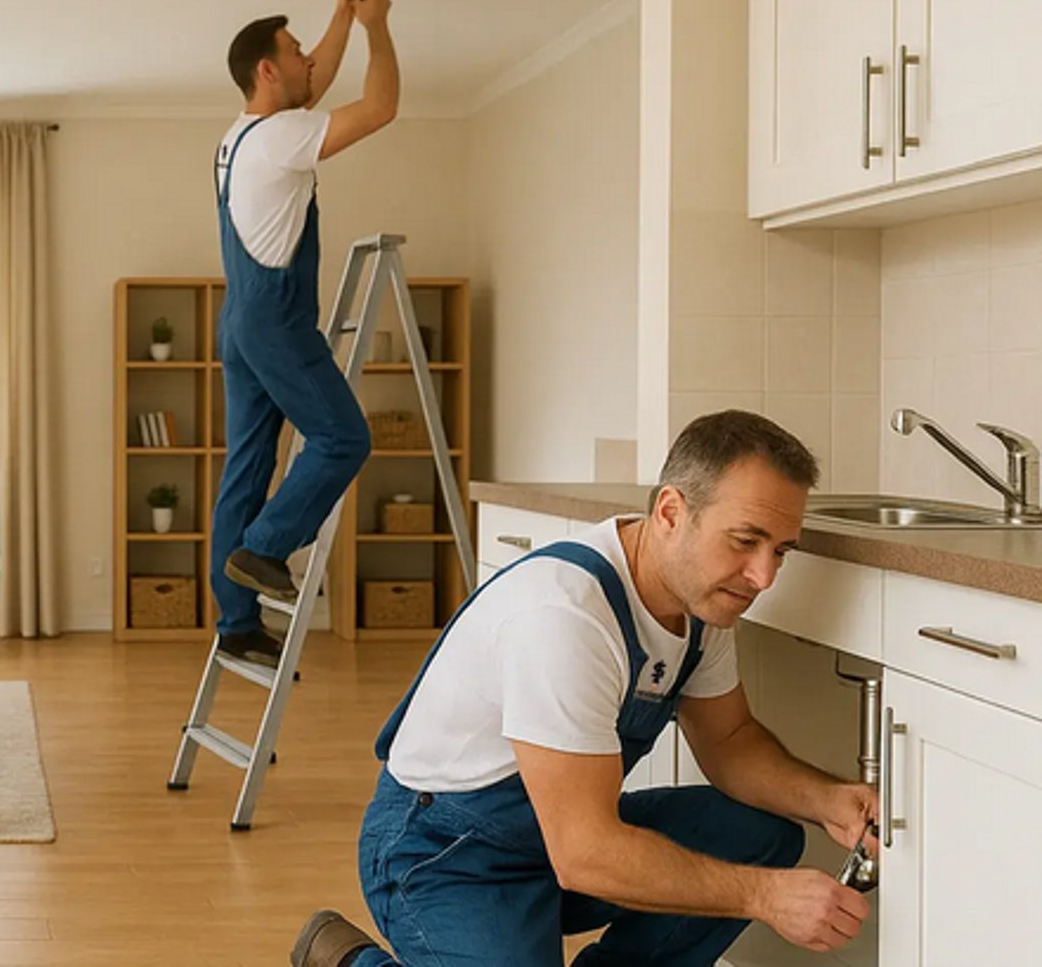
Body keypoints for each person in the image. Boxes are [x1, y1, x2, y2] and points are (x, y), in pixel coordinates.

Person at [290, 411, 881, 966]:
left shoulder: (699, 599)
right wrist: (766, 898)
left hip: (553, 837)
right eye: (745, 541)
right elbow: (585, 853)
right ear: (672, 512)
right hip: (446, 852)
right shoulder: (566, 617)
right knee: (724, 870)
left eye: (780, 552)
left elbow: (729, 740)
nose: (764, 577)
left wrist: (828, 800)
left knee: (756, 836)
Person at [211, 0, 400, 666]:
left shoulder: (240, 136)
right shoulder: (283, 136)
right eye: (295, 52)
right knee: (343, 437)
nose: (308, 62)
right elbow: (380, 107)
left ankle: (234, 623)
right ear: (268, 69)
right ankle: (262, 549)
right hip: (273, 318)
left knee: (247, 465)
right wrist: (378, 28)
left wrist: (342, 14)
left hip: (241, 315)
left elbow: (310, 86)